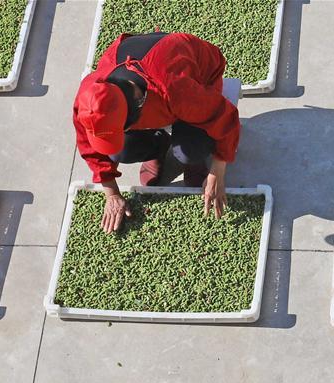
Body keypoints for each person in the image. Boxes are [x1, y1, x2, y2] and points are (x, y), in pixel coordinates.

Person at [73, 32, 240, 233]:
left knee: (190, 151)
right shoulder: (90, 99)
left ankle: (194, 162)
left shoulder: (175, 90)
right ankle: (157, 149)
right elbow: (88, 146)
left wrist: (217, 172)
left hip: (198, 76)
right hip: (158, 87)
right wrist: (112, 194)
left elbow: (225, 117)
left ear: (138, 103)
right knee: (121, 151)